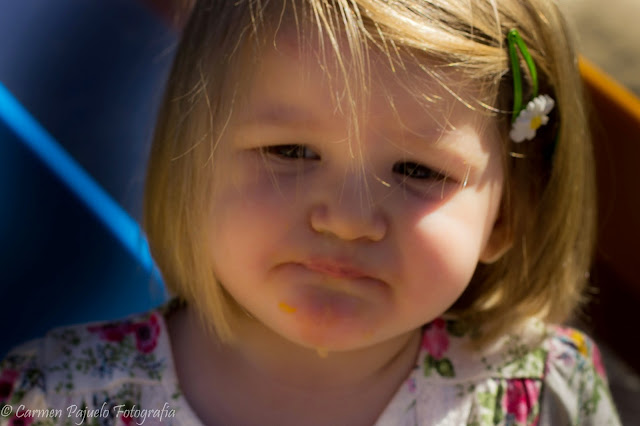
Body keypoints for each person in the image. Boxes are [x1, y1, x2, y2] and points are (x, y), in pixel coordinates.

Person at [0, 0, 622, 425]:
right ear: (195, 166)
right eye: (290, 151)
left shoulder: (543, 394)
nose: (348, 219)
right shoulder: (64, 400)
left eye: (418, 171)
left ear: (507, 216)